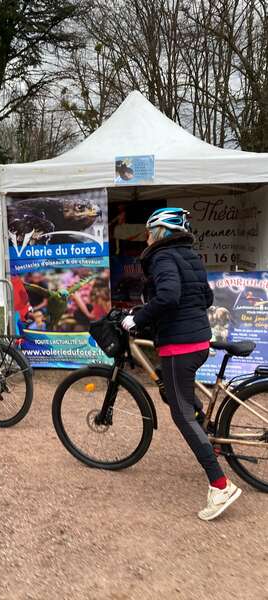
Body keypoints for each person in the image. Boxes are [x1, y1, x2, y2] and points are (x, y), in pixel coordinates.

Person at [121, 207, 241, 521]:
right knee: (178, 392)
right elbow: (205, 298)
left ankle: (220, 485)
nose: (146, 237)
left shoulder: (162, 257)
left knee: (181, 413)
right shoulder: (189, 254)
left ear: (160, 232)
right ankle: (209, 439)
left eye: (149, 231)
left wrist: (138, 319)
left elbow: (170, 297)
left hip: (180, 346)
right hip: (199, 340)